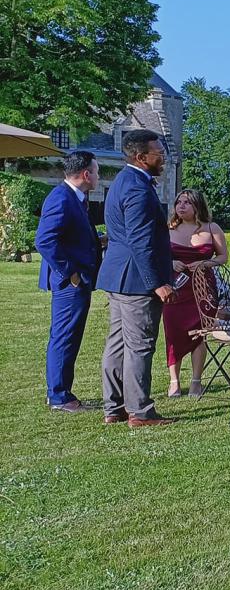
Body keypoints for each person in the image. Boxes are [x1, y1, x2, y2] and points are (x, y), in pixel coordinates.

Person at [97, 129, 174, 428]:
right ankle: (140, 411)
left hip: (119, 277)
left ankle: (113, 407)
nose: (163, 156)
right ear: (141, 158)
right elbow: (140, 241)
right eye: (158, 153)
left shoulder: (124, 181)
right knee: (139, 344)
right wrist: (158, 282)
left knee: (117, 344)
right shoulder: (138, 189)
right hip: (136, 281)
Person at [36, 150, 102, 413]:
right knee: (64, 337)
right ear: (86, 174)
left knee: (68, 337)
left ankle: (60, 392)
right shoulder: (62, 198)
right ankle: (59, 396)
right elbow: (44, 241)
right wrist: (70, 274)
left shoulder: (74, 198)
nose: (98, 176)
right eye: (96, 172)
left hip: (76, 280)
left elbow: (69, 236)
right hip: (69, 285)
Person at [162, 188, 228, 398]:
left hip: (203, 288)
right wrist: (171, 263)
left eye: (187, 203)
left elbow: (223, 257)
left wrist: (204, 262)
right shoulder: (168, 228)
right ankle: (174, 382)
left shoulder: (211, 228)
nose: (181, 206)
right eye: (178, 202)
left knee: (200, 333)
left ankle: (196, 381)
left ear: (197, 206)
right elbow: (157, 256)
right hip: (175, 289)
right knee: (173, 333)